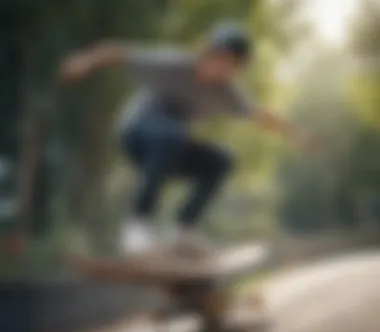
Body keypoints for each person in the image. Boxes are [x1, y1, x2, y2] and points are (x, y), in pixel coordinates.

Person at [60, 23, 309, 257]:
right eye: (218, 58)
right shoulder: (173, 63)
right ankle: (137, 226)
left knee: (221, 161)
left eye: (230, 64)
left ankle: (183, 230)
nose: (221, 68)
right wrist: (84, 61)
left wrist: (297, 134)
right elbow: (118, 53)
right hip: (134, 134)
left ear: (237, 68)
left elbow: (259, 115)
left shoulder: (227, 92)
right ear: (206, 52)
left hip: (169, 148)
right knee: (172, 133)